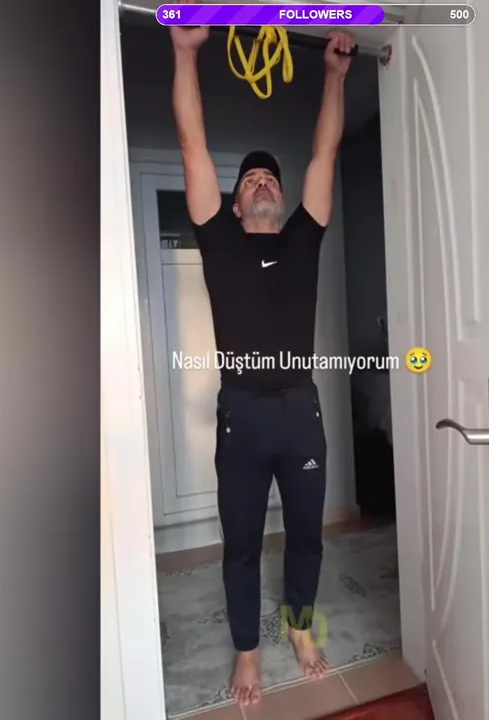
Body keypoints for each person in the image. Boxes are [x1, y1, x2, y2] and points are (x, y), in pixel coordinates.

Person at [169, 1, 353, 706]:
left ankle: (300, 628)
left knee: (306, 534)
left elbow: (324, 155)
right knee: (242, 541)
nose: (263, 181)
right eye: (249, 180)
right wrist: (186, 53)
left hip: (300, 412)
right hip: (242, 415)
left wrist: (334, 77)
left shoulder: (305, 237)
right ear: (235, 206)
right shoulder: (218, 240)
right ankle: (249, 649)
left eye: (270, 176)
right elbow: (192, 146)